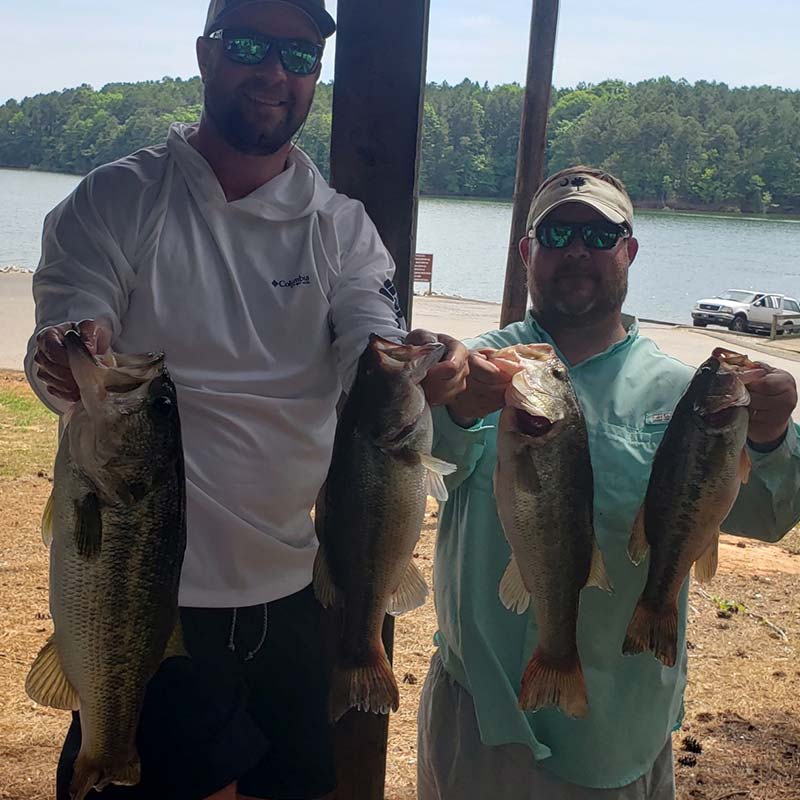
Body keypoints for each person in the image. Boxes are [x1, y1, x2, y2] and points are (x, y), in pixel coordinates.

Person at [25, 1, 467, 798]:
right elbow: (71, 305)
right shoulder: (119, 199)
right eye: (251, 45)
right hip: (149, 602)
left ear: (316, 76)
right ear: (205, 54)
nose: (274, 72)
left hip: (292, 599)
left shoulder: (342, 228)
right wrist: (69, 347)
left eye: (299, 56)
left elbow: (369, 330)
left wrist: (413, 362)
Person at [416, 165, 800, 800]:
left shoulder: (684, 391)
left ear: (630, 251)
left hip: (624, 727)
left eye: (600, 236)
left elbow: (765, 515)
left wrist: (770, 433)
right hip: (485, 725)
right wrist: (455, 407)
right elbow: (408, 470)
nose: (576, 251)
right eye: (558, 232)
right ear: (526, 251)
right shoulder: (475, 368)